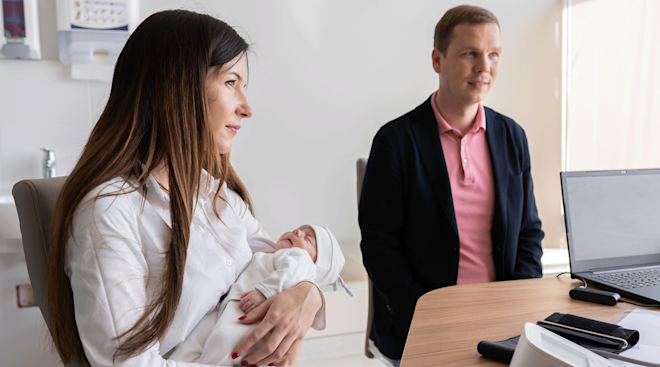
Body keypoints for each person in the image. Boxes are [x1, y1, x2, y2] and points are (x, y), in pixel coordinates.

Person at [46, 10, 325, 367]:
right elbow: (129, 364)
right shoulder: (108, 212)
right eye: (230, 83)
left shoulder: (216, 194)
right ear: (180, 87)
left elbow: (282, 262)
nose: (247, 107)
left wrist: (308, 294)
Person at [358, 5, 544, 366]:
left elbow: (529, 233)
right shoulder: (395, 140)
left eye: (493, 55)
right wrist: (430, 314)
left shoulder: (512, 137)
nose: (484, 67)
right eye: (470, 54)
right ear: (437, 59)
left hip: (500, 323)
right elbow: (380, 248)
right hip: (422, 323)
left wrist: (515, 304)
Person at [169, 225, 349, 365]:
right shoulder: (271, 257)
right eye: (300, 229)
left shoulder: (299, 258)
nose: (297, 231)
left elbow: (292, 270)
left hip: (249, 313)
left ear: (315, 265)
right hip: (229, 309)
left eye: (308, 238)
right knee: (194, 344)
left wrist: (265, 292)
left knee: (221, 343)